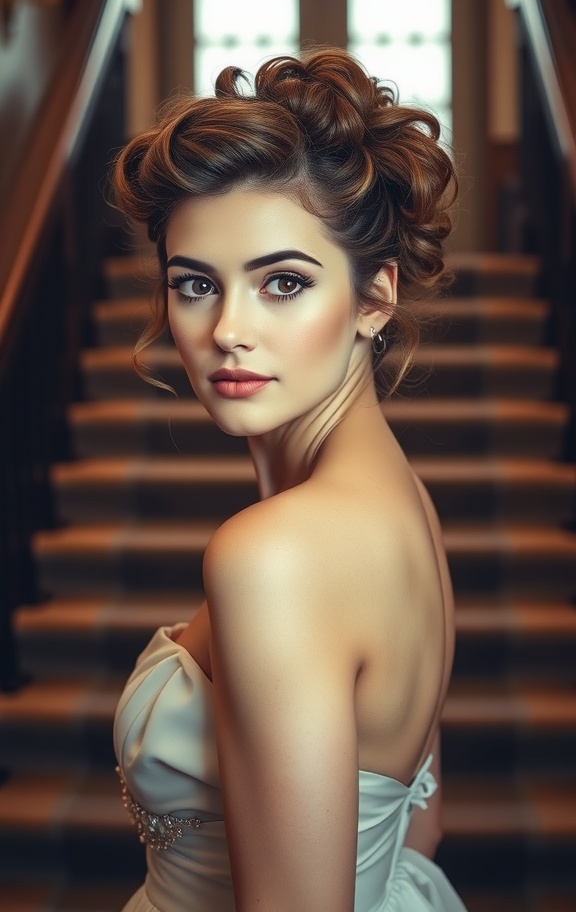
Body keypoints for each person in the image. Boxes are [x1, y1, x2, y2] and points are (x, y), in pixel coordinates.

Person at [112, 47, 467, 912]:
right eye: (195, 284)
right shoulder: (400, 500)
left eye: (282, 283)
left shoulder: (279, 552)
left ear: (374, 297)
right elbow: (421, 826)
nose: (229, 329)